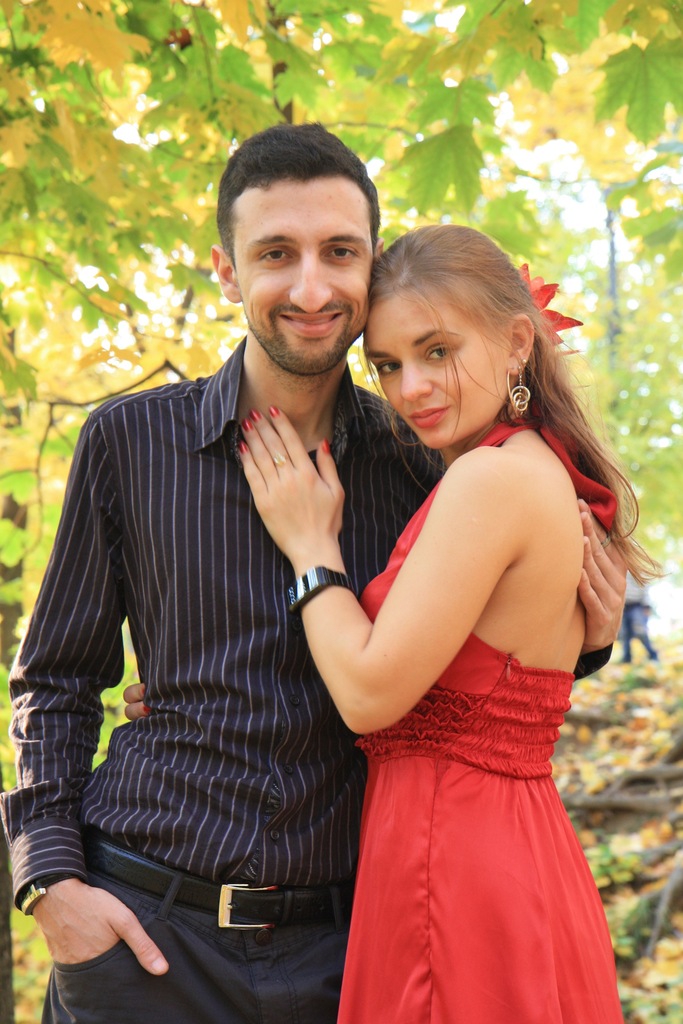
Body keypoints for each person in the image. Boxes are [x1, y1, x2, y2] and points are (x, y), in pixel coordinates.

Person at [1, 124, 625, 1024]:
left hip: (349, 949)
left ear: (370, 265)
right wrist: (49, 881)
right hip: (145, 937)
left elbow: (471, 662)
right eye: (274, 254)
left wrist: (586, 640)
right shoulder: (129, 443)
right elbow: (57, 680)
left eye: (338, 252)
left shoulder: (425, 460)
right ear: (227, 271)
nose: (310, 287)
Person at [237, 224, 658, 1023]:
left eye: (437, 351)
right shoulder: (533, 467)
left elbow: (368, 696)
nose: (411, 389)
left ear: (516, 343)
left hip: (451, 864)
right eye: (387, 365)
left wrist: (310, 548)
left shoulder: (488, 480)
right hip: (509, 850)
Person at [620, 571, 659, 662]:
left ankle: (652, 654)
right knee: (625, 634)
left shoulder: (635, 569)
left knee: (640, 631)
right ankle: (627, 658)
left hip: (636, 605)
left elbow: (644, 586)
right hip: (622, 606)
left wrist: (646, 605)